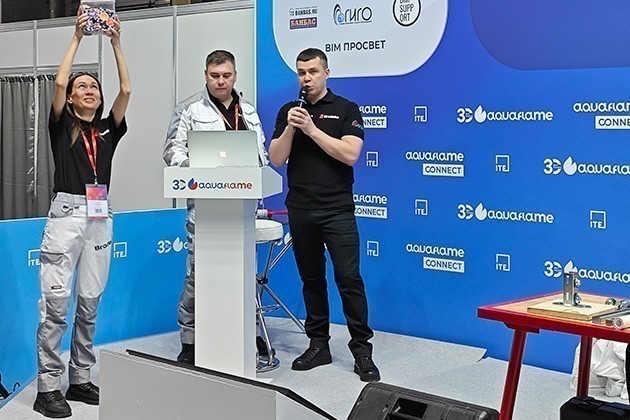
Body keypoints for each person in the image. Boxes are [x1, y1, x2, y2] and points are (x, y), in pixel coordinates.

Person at [34, 11, 130, 419]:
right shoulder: (62, 126)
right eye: (82, 87)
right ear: (71, 98)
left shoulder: (109, 129)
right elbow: (58, 83)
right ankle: (47, 388)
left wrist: (115, 43)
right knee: (56, 305)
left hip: (100, 218)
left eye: (93, 86)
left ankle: (80, 378)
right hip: (66, 215)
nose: (89, 90)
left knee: (89, 303)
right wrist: (76, 38)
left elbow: (127, 88)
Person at [268, 48, 379, 382]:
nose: (307, 78)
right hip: (301, 208)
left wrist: (312, 129)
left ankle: (362, 351)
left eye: (313, 71)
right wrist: (292, 127)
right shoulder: (289, 111)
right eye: (302, 72)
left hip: (337, 209)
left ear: (326, 73)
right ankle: (318, 345)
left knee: (349, 279)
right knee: (311, 280)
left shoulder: (346, 108)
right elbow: (276, 158)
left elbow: (350, 154)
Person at [163, 50, 269, 365]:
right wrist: (195, 165)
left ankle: (250, 333)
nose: (221, 81)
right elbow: (171, 151)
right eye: (214, 75)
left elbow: (261, 153)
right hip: (205, 207)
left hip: (243, 207)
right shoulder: (189, 109)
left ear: (235, 75)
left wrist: (255, 165)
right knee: (197, 274)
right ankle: (190, 339)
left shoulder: (248, 111)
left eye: (226, 75)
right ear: (206, 75)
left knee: (244, 274)